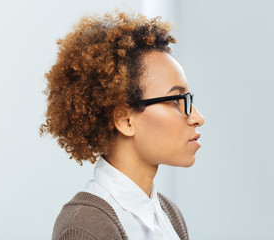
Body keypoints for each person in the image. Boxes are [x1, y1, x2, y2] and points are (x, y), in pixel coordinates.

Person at [39, 10, 205, 240]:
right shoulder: (85, 228)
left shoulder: (170, 216)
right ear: (125, 120)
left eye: (189, 99)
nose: (197, 117)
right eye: (177, 100)